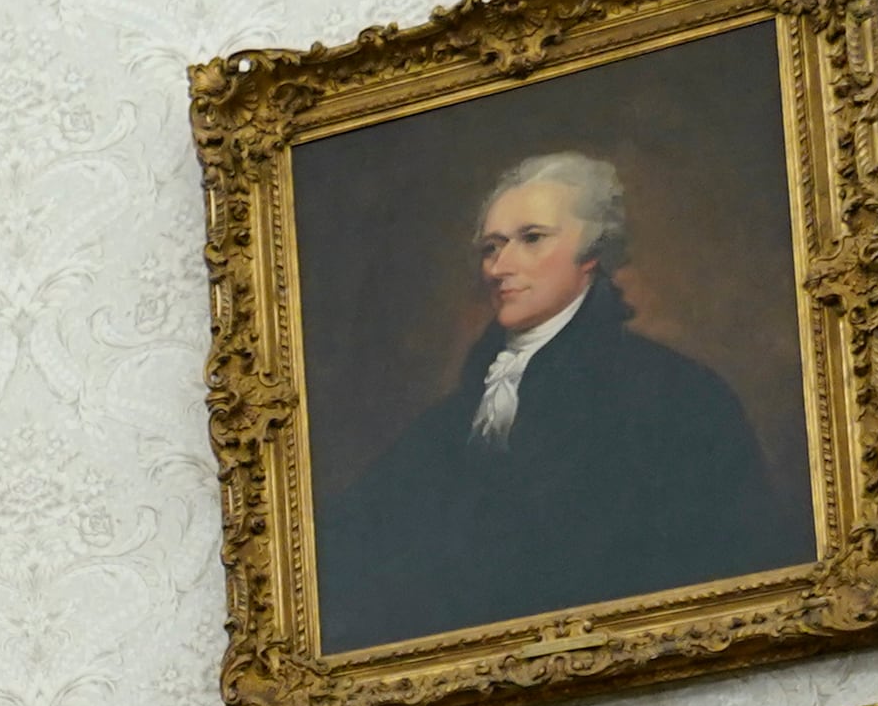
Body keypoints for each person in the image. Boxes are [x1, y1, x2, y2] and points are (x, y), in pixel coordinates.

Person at [314, 152, 804, 654]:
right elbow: (359, 537)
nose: (500, 267)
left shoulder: (673, 394)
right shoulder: (457, 416)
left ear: (591, 252)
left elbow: (727, 570)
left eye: (531, 239)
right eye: (491, 248)